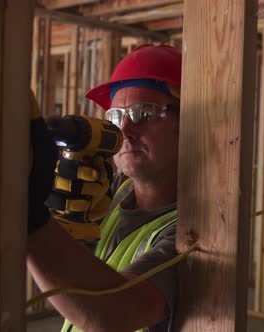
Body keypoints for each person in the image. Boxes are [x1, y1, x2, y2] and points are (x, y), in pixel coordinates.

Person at [27, 44, 182, 332]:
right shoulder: (116, 192)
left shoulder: (189, 232)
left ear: (186, 124)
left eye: (144, 114)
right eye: (115, 116)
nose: (125, 130)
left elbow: (111, 311)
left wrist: (32, 217)